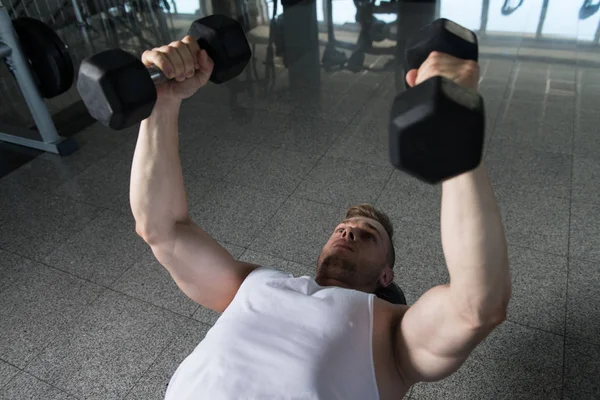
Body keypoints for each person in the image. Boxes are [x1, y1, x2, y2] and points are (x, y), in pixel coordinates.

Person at [130, 36, 512, 400]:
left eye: (368, 236)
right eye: (343, 229)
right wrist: (163, 102)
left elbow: (477, 305)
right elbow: (162, 229)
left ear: (386, 276)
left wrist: (456, 130)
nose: (348, 233)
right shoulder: (254, 284)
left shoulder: (393, 334)